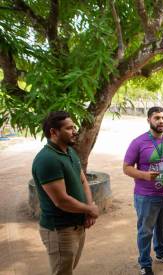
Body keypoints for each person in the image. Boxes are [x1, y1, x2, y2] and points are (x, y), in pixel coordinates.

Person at [32, 111, 99, 275]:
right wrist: (89, 210)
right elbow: (61, 201)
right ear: (53, 132)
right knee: (62, 272)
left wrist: (89, 209)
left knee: (68, 268)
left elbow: (83, 181)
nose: (74, 131)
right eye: (69, 128)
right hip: (60, 230)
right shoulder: (47, 159)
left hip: (77, 224)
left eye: (73, 127)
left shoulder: (69, 151)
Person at [123, 106, 163, 275]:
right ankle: (144, 263)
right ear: (149, 120)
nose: (161, 121)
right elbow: (127, 168)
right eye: (157, 118)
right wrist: (144, 175)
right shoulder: (138, 142)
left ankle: (161, 253)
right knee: (145, 230)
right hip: (146, 196)